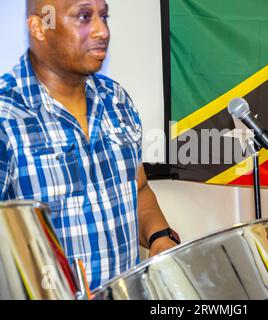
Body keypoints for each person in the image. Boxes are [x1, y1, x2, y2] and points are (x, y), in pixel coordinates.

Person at [0, 0, 179, 290]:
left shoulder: (116, 100)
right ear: (39, 27)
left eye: (104, 16)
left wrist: (159, 237)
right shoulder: (6, 117)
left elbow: (139, 189)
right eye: (84, 17)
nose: (102, 31)